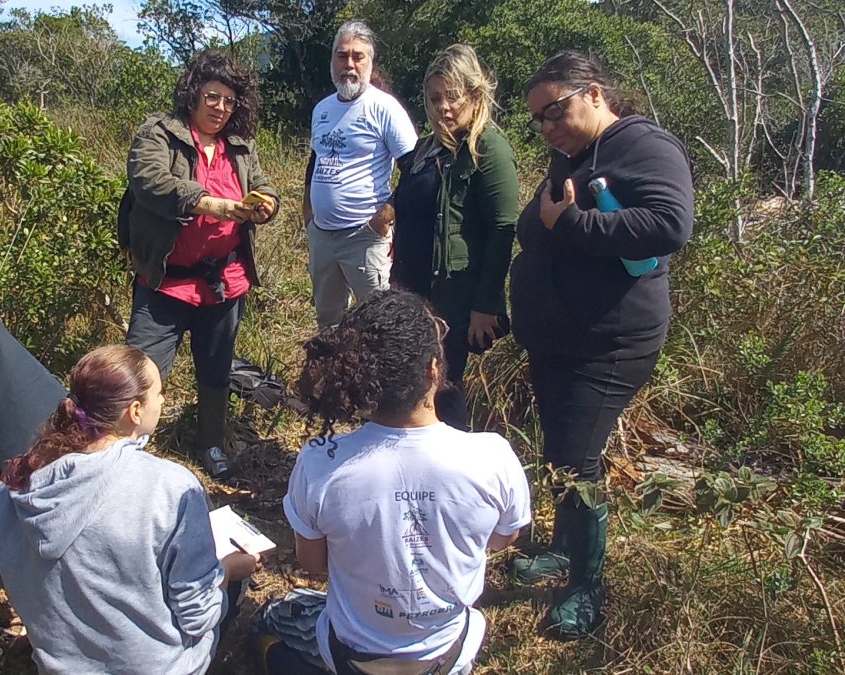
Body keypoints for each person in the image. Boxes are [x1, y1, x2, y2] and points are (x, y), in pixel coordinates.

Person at [509, 50, 694, 639]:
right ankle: (564, 552)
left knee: (580, 460)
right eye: (539, 118)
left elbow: (670, 226)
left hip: (609, 343)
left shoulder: (645, 147)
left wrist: (571, 225)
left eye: (555, 110)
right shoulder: (573, 154)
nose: (548, 126)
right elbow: (543, 220)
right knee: (563, 453)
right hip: (559, 337)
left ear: (593, 93)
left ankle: (585, 587)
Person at [0, 345, 259, 674]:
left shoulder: (20, 478)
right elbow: (197, 615)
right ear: (134, 410)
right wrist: (228, 571)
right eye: (159, 393)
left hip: (59, 665)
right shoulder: (169, 487)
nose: (162, 401)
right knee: (232, 585)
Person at [280, 290, 532, 674]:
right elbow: (501, 539)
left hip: (350, 654)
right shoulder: (491, 458)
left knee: (273, 617)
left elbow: (313, 563)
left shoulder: (321, 462)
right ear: (433, 368)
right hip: (448, 653)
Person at [122, 49, 279, 480]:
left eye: (230, 101)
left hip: (225, 283)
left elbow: (264, 187)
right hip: (166, 285)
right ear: (193, 93)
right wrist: (210, 203)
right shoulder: (159, 134)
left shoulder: (240, 147)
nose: (221, 108)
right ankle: (124, 456)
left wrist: (266, 205)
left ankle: (211, 442)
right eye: (213, 96)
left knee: (215, 370)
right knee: (139, 374)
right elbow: (150, 181)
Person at [391, 44, 520, 430]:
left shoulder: (488, 149)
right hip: (410, 287)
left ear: (475, 95)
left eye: (453, 97)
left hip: (455, 295)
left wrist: (485, 305)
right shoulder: (424, 150)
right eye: (434, 99)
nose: (443, 107)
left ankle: (456, 472)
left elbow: (502, 229)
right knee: (413, 382)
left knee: (445, 384)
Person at [305, 20, 418, 327]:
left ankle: (380, 377)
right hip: (323, 237)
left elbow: (415, 168)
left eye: (358, 56)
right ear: (332, 61)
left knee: (376, 323)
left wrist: (386, 214)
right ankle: (334, 375)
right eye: (342, 56)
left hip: (365, 237)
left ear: (370, 62)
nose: (349, 64)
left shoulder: (384, 108)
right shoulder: (322, 110)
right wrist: (309, 214)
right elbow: (315, 160)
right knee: (328, 321)